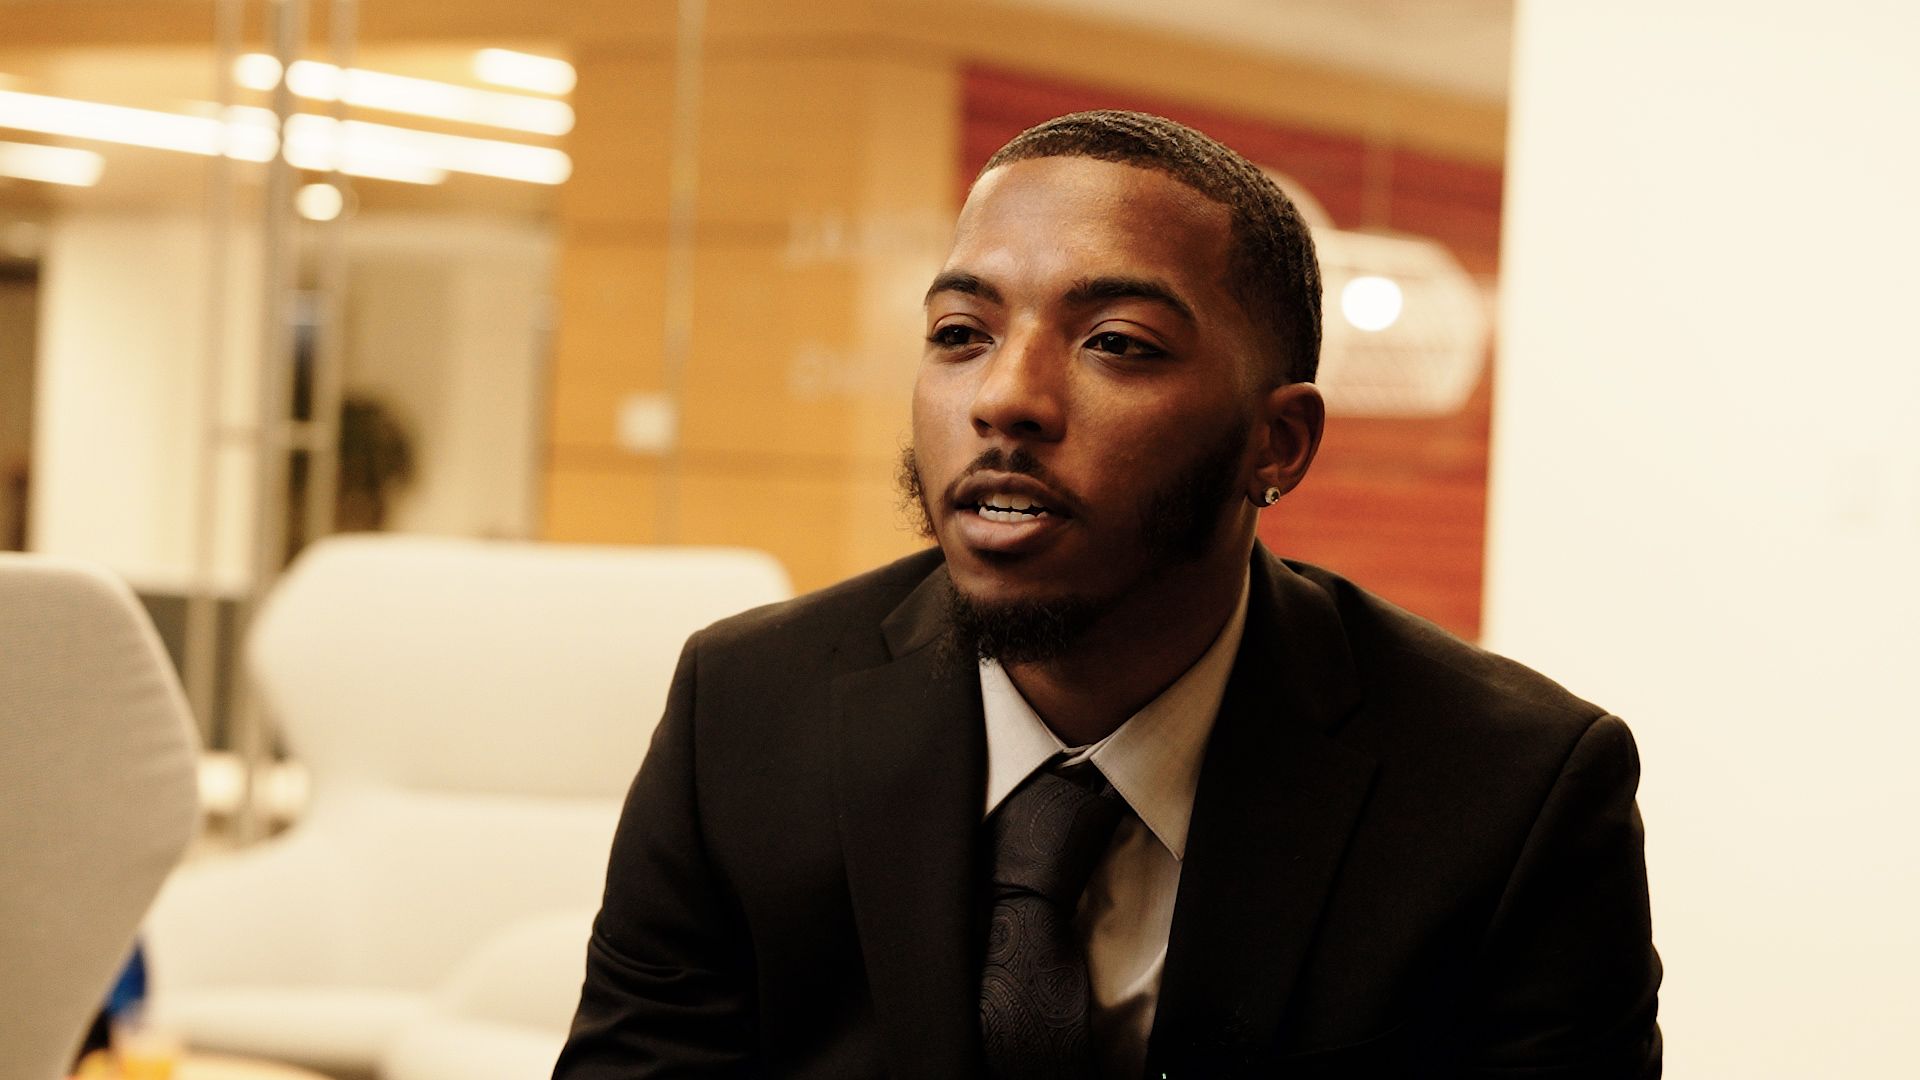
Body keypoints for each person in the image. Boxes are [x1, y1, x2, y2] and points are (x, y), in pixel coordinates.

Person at [553, 110, 1661, 1079]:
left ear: (1276, 442)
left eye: (1116, 343)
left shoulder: (1513, 795)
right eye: (960, 334)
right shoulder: (745, 712)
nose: (1006, 397)